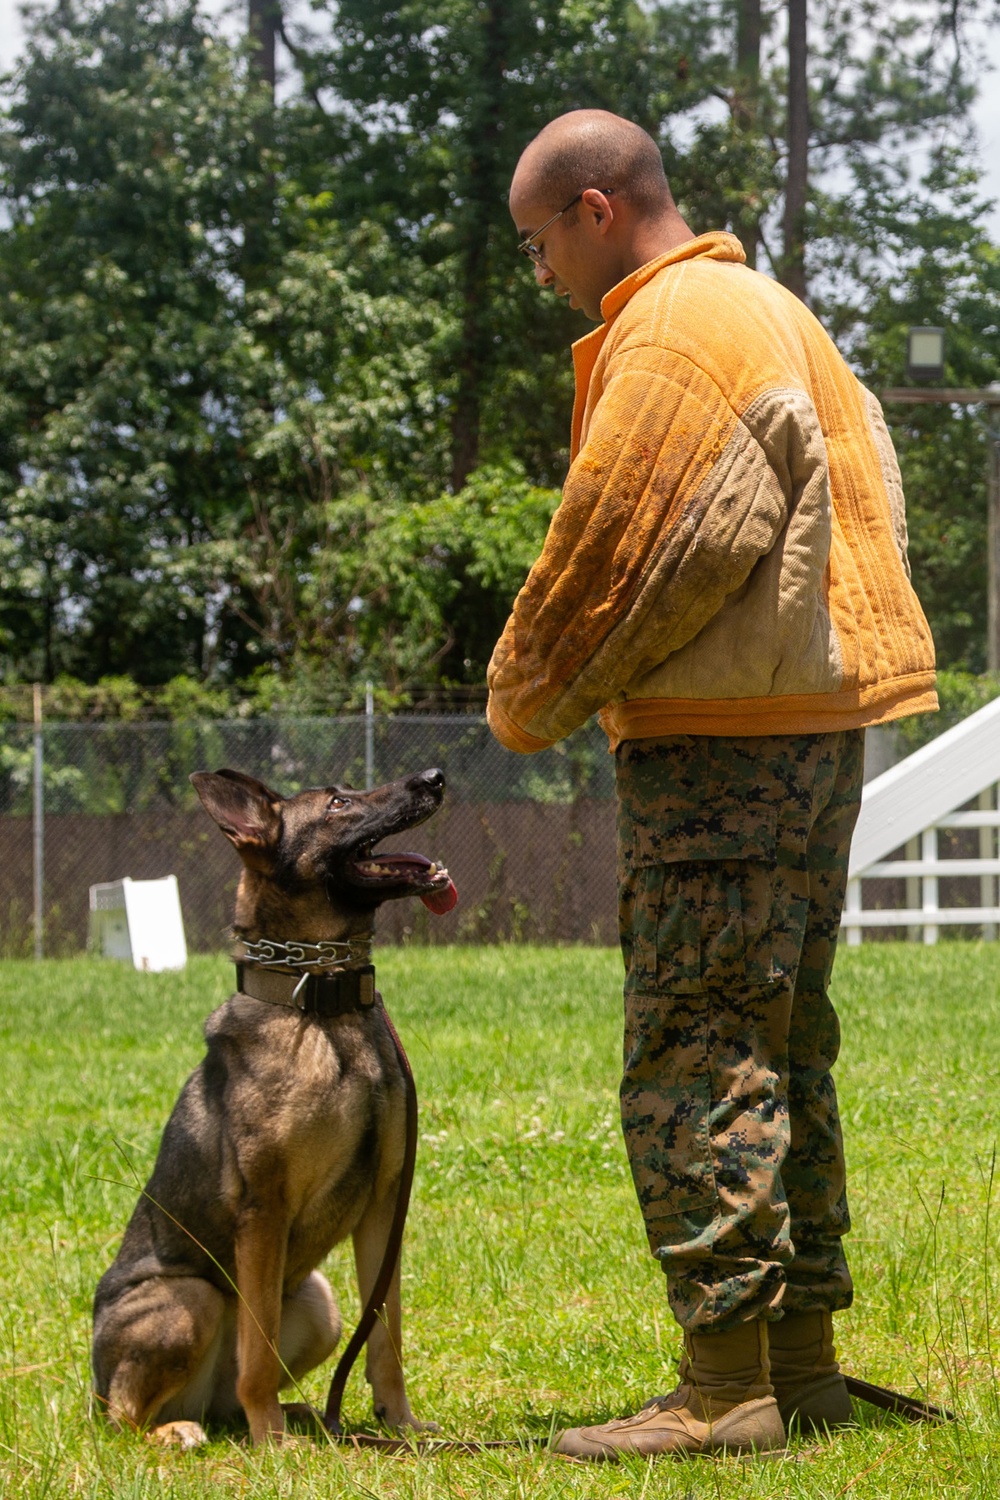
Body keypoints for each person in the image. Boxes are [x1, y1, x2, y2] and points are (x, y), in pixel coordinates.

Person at [486, 109, 937, 1460]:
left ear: (596, 209)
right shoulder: (777, 310)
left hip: (718, 742)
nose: (544, 274)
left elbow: (634, 545)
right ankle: (799, 1362)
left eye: (538, 244)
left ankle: (721, 1385)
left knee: (697, 1048)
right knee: (785, 1038)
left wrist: (527, 691)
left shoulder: (676, 329)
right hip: (818, 723)